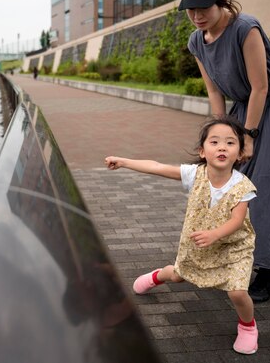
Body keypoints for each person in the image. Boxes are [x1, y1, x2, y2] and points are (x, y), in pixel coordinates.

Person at [178, 0, 270, 302]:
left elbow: (261, 86)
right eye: (190, 9)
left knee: (268, 189)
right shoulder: (197, 41)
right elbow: (213, 92)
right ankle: (236, 261)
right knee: (232, 187)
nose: (196, 16)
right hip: (242, 112)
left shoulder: (245, 28)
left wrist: (247, 135)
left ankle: (269, 274)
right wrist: (221, 135)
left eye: (203, 8)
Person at [105, 116, 259, 355]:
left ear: (240, 154)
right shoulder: (194, 174)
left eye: (230, 143)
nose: (221, 147)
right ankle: (158, 275)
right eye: (214, 142)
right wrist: (124, 161)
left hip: (233, 246)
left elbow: (237, 221)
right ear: (202, 151)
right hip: (199, 241)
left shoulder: (243, 186)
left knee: (237, 290)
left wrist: (215, 234)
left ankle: (248, 327)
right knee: (178, 275)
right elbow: (157, 166)